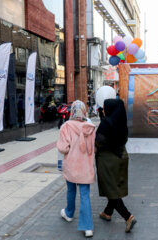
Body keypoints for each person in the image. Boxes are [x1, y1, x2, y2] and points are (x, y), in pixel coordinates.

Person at [95, 99, 137, 233]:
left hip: (108, 161)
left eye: (105, 108)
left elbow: (99, 142)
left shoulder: (106, 124)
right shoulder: (120, 123)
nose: (103, 110)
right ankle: (107, 213)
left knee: (110, 189)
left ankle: (128, 216)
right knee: (113, 186)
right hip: (122, 157)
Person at [56, 100, 96, 238]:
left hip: (71, 166)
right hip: (86, 167)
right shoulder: (90, 127)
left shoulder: (66, 126)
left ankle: (69, 213)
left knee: (71, 189)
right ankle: (88, 227)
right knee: (85, 195)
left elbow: (63, 148)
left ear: (72, 111)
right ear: (84, 111)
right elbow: (94, 148)